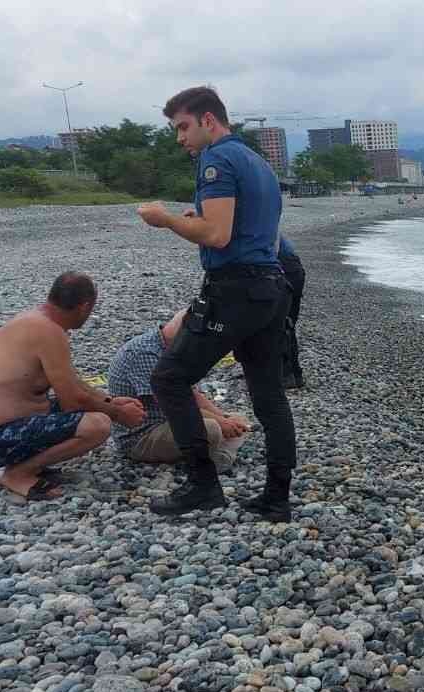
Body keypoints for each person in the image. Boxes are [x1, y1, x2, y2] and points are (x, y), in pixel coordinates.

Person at [136, 86, 296, 519]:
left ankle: (203, 485)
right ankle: (276, 497)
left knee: (169, 377)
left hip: (236, 290)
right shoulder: (257, 162)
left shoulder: (218, 159)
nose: (179, 138)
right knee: (268, 395)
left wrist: (165, 219)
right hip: (270, 287)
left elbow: (218, 236)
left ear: (209, 120)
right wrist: (200, 223)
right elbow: (250, 230)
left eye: (183, 127)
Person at [0, 272, 144, 503]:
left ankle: (27, 466)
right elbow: (73, 401)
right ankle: (18, 474)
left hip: (3, 428)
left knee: (98, 411)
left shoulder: (36, 320)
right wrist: (119, 414)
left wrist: (110, 401)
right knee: (97, 425)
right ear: (84, 306)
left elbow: (73, 383)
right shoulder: (49, 332)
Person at [106, 308, 251, 468]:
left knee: (237, 420)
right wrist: (221, 423)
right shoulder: (144, 353)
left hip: (169, 420)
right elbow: (173, 403)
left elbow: (190, 393)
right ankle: (219, 457)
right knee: (212, 429)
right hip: (143, 435)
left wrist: (224, 417)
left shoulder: (173, 347)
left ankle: (211, 451)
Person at [278, 235, 306, 389]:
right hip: (293, 267)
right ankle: (294, 373)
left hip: (283, 268)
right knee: (287, 324)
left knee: (280, 324)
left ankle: (287, 374)